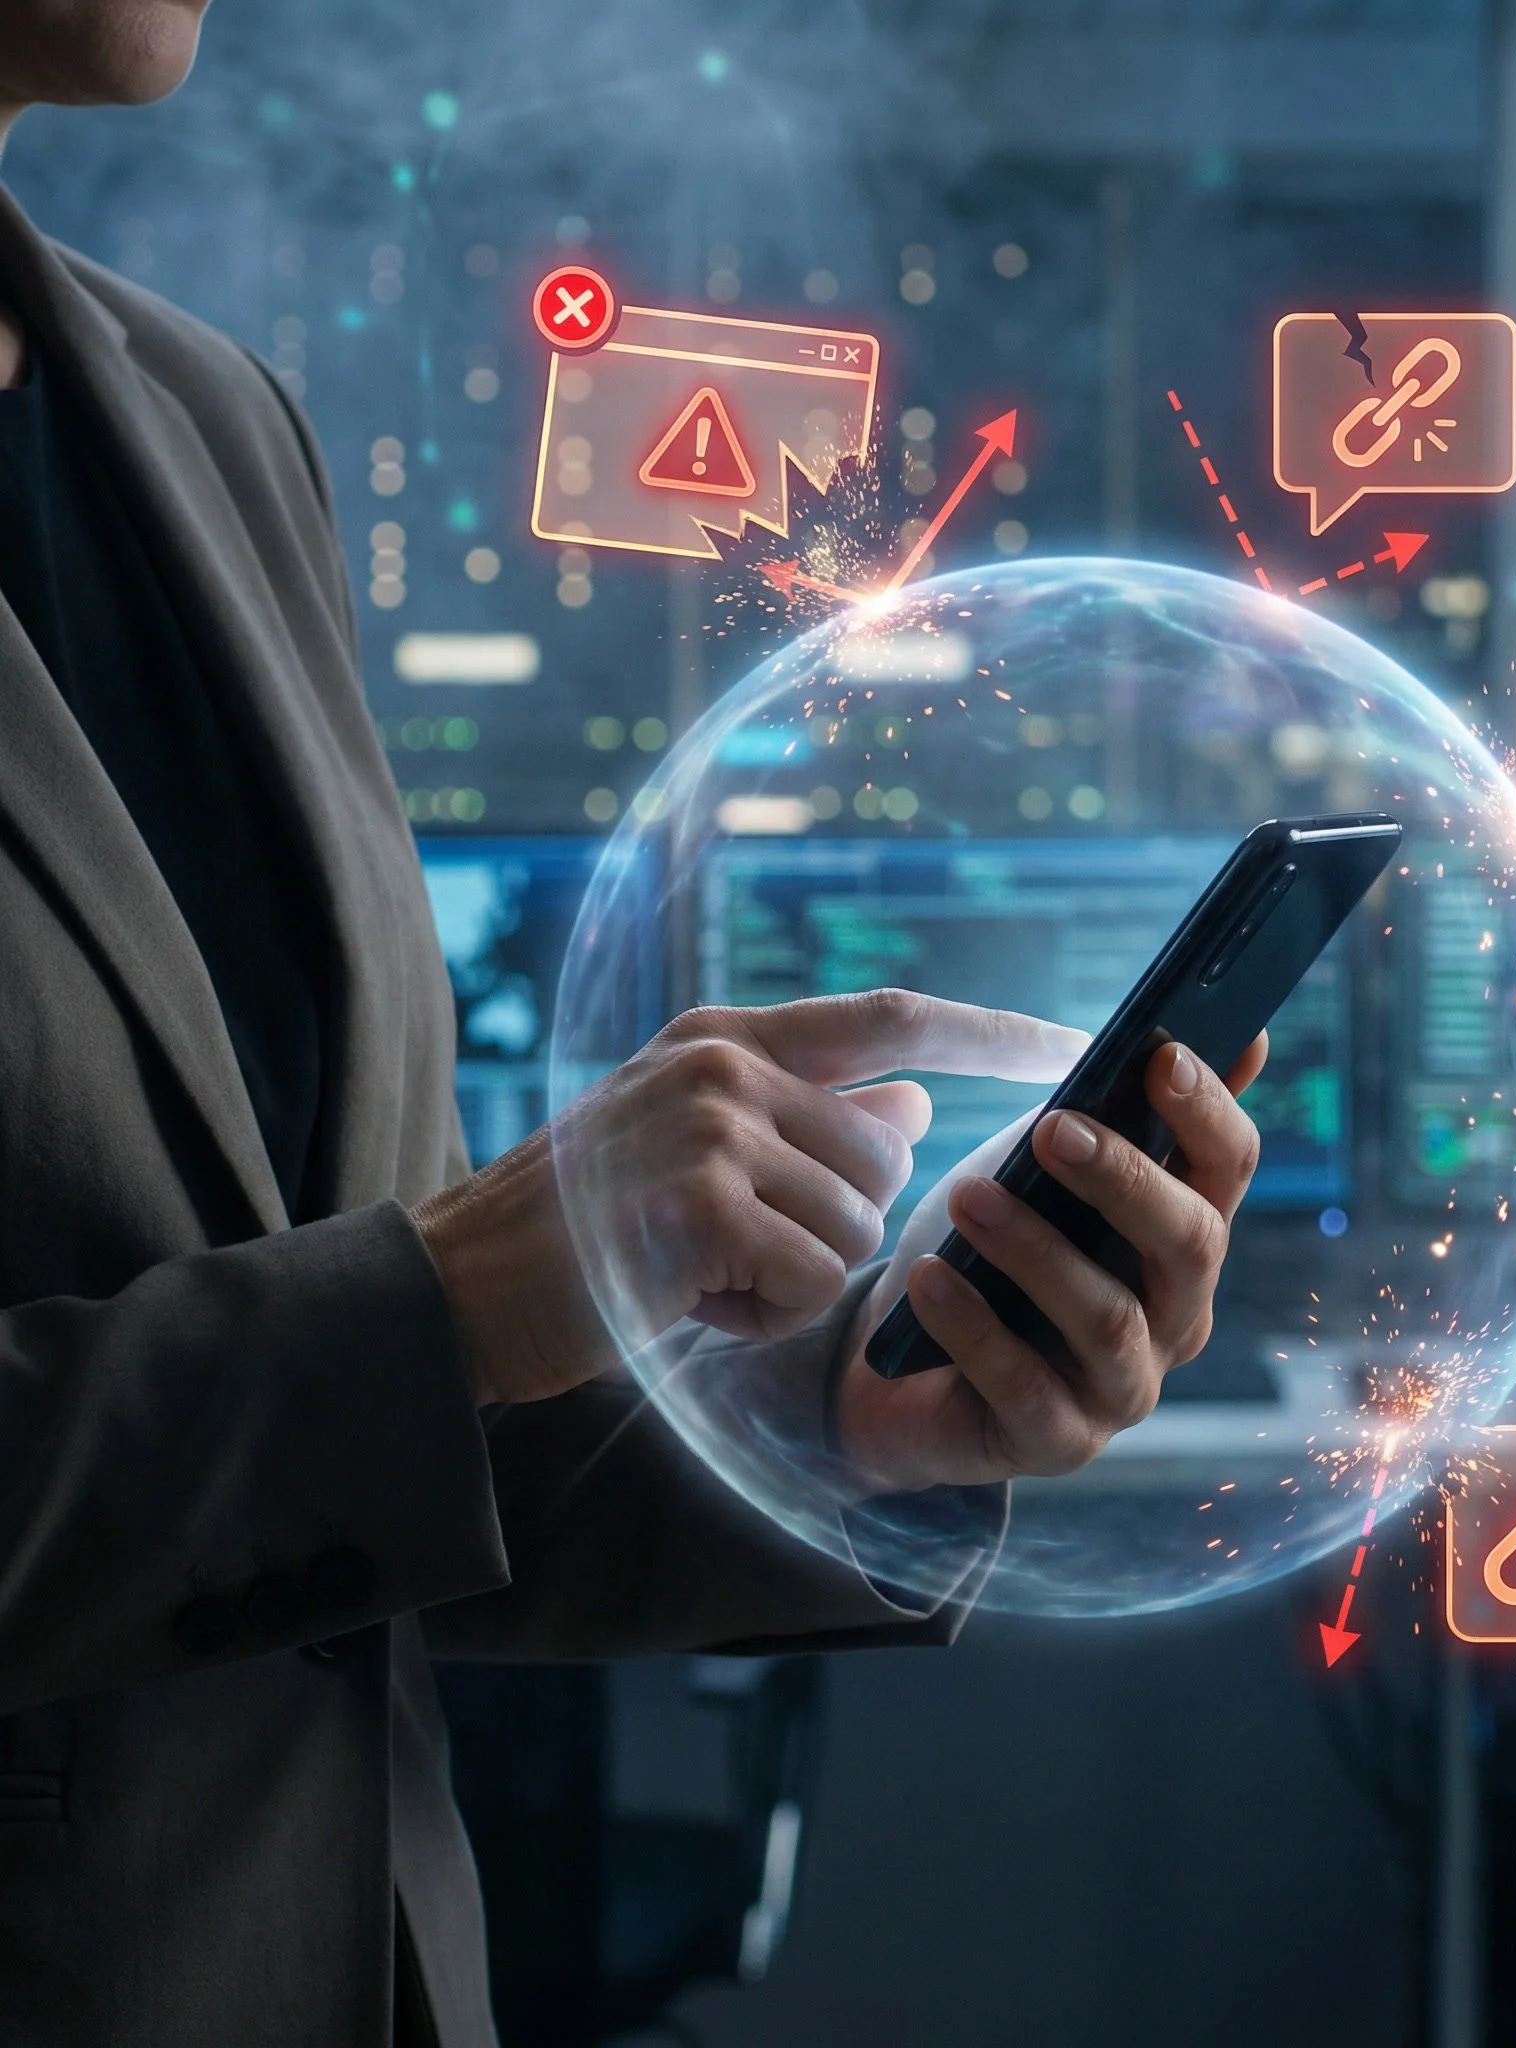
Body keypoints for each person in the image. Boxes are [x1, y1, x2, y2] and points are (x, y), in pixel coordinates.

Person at [0, 4, 1266, 2042]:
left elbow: (346, 1461)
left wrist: (837, 1427)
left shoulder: (208, 427)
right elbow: (381, 1337)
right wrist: (446, 1295)